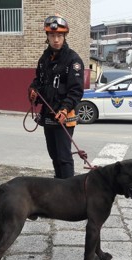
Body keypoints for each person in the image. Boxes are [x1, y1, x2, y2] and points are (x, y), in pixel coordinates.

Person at [28, 15, 84, 179]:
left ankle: (69, 191)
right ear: (47, 37)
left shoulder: (73, 60)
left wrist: (65, 109)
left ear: (64, 36)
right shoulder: (44, 59)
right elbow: (39, 81)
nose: (56, 40)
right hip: (48, 115)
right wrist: (33, 90)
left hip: (64, 116)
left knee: (64, 157)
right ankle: (58, 187)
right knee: (54, 156)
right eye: (52, 36)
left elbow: (76, 90)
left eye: (59, 36)